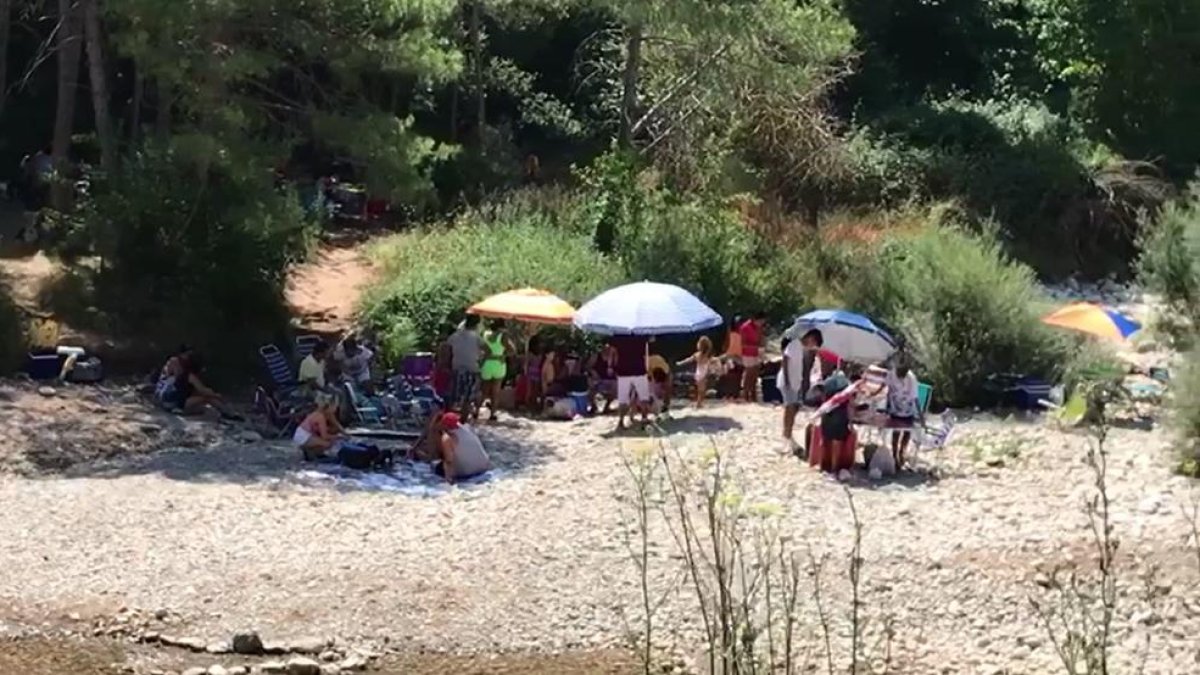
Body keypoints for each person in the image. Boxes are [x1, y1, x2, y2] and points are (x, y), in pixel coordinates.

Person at [777, 330, 825, 454]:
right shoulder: (794, 345)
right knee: (790, 408)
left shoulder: (802, 349)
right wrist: (787, 381)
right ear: (811, 338)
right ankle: (786, 437)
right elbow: (785, 361)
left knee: (794, 408)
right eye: (813, 343)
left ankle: (788, 435)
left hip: (795, 383)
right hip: (788, 382)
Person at [446, 315, 487, 421]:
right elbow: (488, 350)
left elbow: (447, 351)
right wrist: (481, 363)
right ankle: (463, 422)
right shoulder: (477, 338)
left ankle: (449, 420)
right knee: (468, 398)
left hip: (457, 369)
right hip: (472, 369)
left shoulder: (454, 336)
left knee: (454, 396)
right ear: (477, 325)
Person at [432, 412, 492, 483]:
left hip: (468, 472)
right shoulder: (468, 427)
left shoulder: (447, 439)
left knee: (436, 467)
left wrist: (449, 481)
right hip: (484, 466)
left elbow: (449, 462)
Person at [884, 355, 922, 468]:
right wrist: (886, 406)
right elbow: (887, 389)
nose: (901, 376)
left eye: (903, 374)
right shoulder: (891, 374)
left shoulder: (911, 379)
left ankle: (902, 452)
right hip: (895, 408)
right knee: (895, 432)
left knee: (907, 432)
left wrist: (921, 417)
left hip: (908, 410)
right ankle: (894, 454)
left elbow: (915, 398)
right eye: (899, 373)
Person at [611, 334, 650, 430]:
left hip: (623, 370)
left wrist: (612, 366)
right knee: (643, 396)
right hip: (639, 369)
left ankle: (621, 421)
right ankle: (644, 418)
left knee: (622, 399)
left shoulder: (618, 336)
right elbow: (646, 350)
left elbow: (614, 353)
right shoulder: (641, 334)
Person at [294, 393, 345, 462]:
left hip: (304, 433)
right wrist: (338, 436)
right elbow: (325, 436)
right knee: (328, 443)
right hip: (303, 436)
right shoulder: (320, 417)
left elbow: (336, 424)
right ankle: (311, 452)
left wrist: (343, 433)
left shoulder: (322, 413)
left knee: (330, 436)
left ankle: (314, 452)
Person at [480, 320, 515, 421]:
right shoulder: (503, 336)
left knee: (484, 390)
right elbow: (512, 350)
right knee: (496, 391)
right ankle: (492, 414)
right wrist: (503, 355)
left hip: (486, 363)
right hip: (499, 363)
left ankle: (476, 410)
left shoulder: (485, 334)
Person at [677, 336, 715, 408]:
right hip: (703, 373)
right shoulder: (708, 355)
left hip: (699, 373)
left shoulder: (698, 355)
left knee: (701, 390)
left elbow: (688, 360)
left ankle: (699, 403)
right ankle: (699, 404)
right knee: (702, 390)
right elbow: (711, 362)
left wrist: (680, 363)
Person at [738, 313, 767, 402]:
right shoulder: (745, 327)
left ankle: (753, 395)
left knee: (755, 374)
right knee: (749, 374)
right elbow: (743, 343)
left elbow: (761, 338)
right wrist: (755, 347)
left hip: (757, 353)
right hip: (748, 353)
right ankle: (746, 395)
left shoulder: (759, 328)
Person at [589, 342, 618, 414]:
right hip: (598, 379)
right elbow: (587, 367)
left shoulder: (615, 357)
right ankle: (593, 406)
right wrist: (593, 372)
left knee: (616, 387)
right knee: (590, 386)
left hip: (611, 380)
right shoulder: (596, 356)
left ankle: (606, 407)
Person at [647, 339, 672, 414]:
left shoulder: (654, 359)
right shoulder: (656, 358)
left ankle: (664, 407)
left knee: (662, 392)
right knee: (663, 392)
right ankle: (664, 407)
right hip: (658, 375)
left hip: (662, 374)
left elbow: (666, 372)